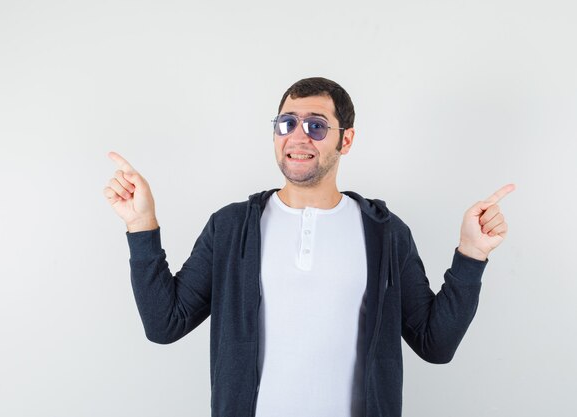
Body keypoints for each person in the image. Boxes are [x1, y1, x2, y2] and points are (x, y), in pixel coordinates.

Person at [103, 77, 513, 417]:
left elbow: (434, 343)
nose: (298, 137)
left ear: (345, 140)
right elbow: (165, 324)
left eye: (316, 125)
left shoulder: (385, 233)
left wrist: (471, 255)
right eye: (286, 123)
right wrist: (142, 226)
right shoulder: (230, 228)